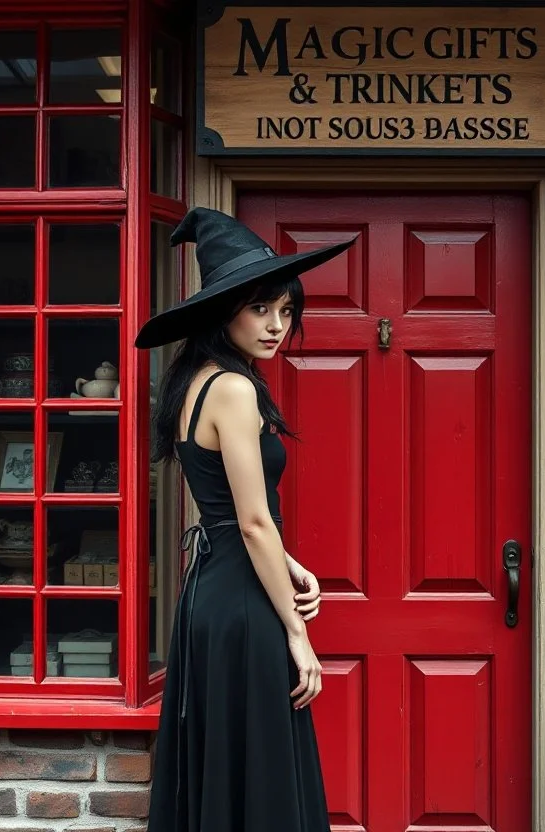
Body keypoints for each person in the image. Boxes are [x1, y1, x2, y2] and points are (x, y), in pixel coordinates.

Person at [135, 207, 355, 832]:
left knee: (229, 761)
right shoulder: (232, 390)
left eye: (286, 311)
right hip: (242, 604)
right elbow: (253, 521)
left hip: (213, 593)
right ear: (224, 309)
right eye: (261, 309)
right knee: (259, 765)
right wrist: (297, 633)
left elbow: (229, 514)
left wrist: (287, 563)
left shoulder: (195, 383)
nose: (277, 326)